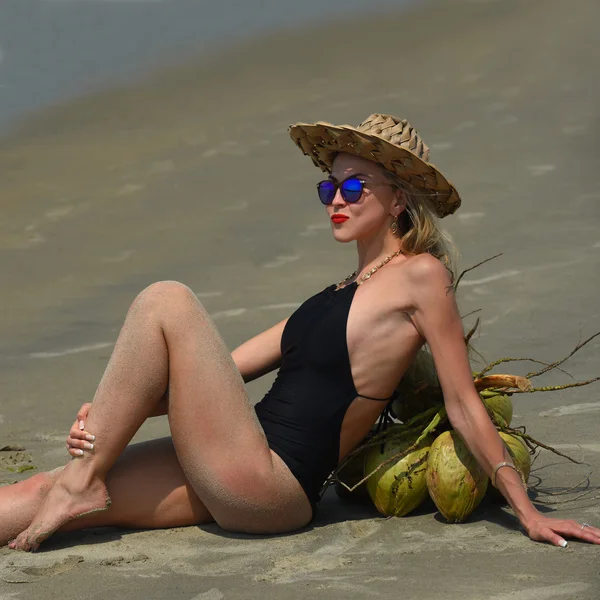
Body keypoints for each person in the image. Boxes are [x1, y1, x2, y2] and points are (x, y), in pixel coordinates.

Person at [2, 114, 599, 552]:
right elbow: (220, 374)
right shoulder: (334, 294)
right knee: (41, 491)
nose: (336, 200)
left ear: (397, 200)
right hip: (231, 457)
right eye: (328, 188)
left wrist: (526, 512)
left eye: (353, 186)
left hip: (271, 483)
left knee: (167, 300)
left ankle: (77, 486)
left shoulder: (422, 277)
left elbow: (462, 401)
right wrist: (106, 415)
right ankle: (77, 485)